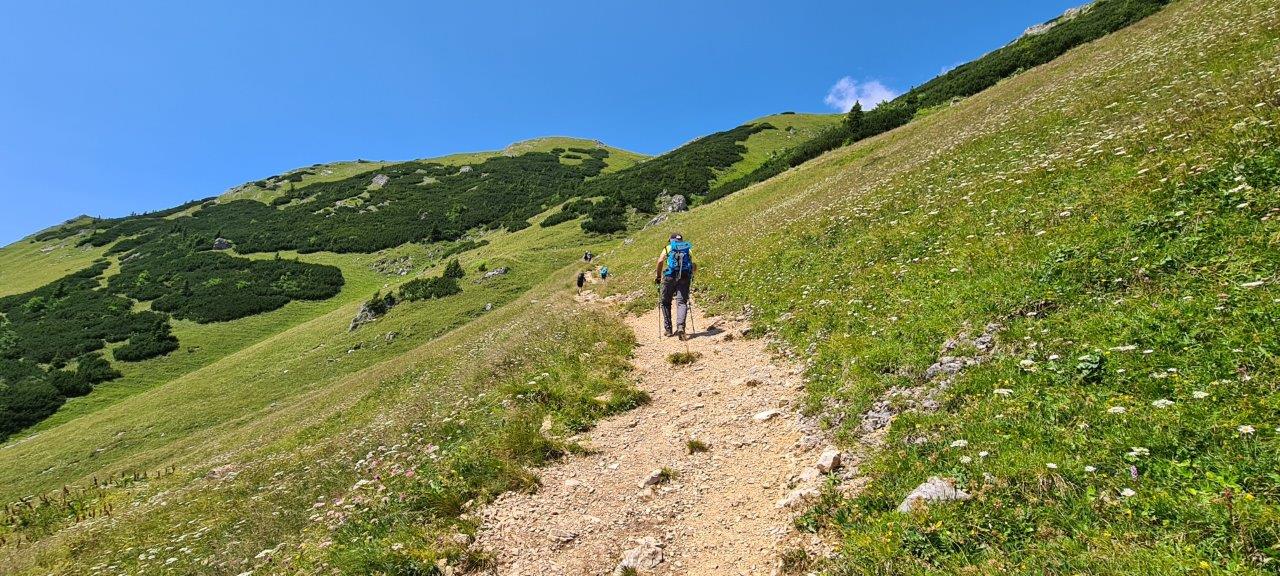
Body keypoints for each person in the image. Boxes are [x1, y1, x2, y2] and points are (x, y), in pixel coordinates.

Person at [654, 232, 695, 339]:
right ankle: (681, 326)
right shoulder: (687, 249)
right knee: (681, 302)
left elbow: (660, 261)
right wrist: (691, 275)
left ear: (671, 241)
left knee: (665, 302)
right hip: (684, 277)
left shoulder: (668, 248)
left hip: (669, 277)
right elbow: (693, 265)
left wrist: (658, 277)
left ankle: (668, 330)